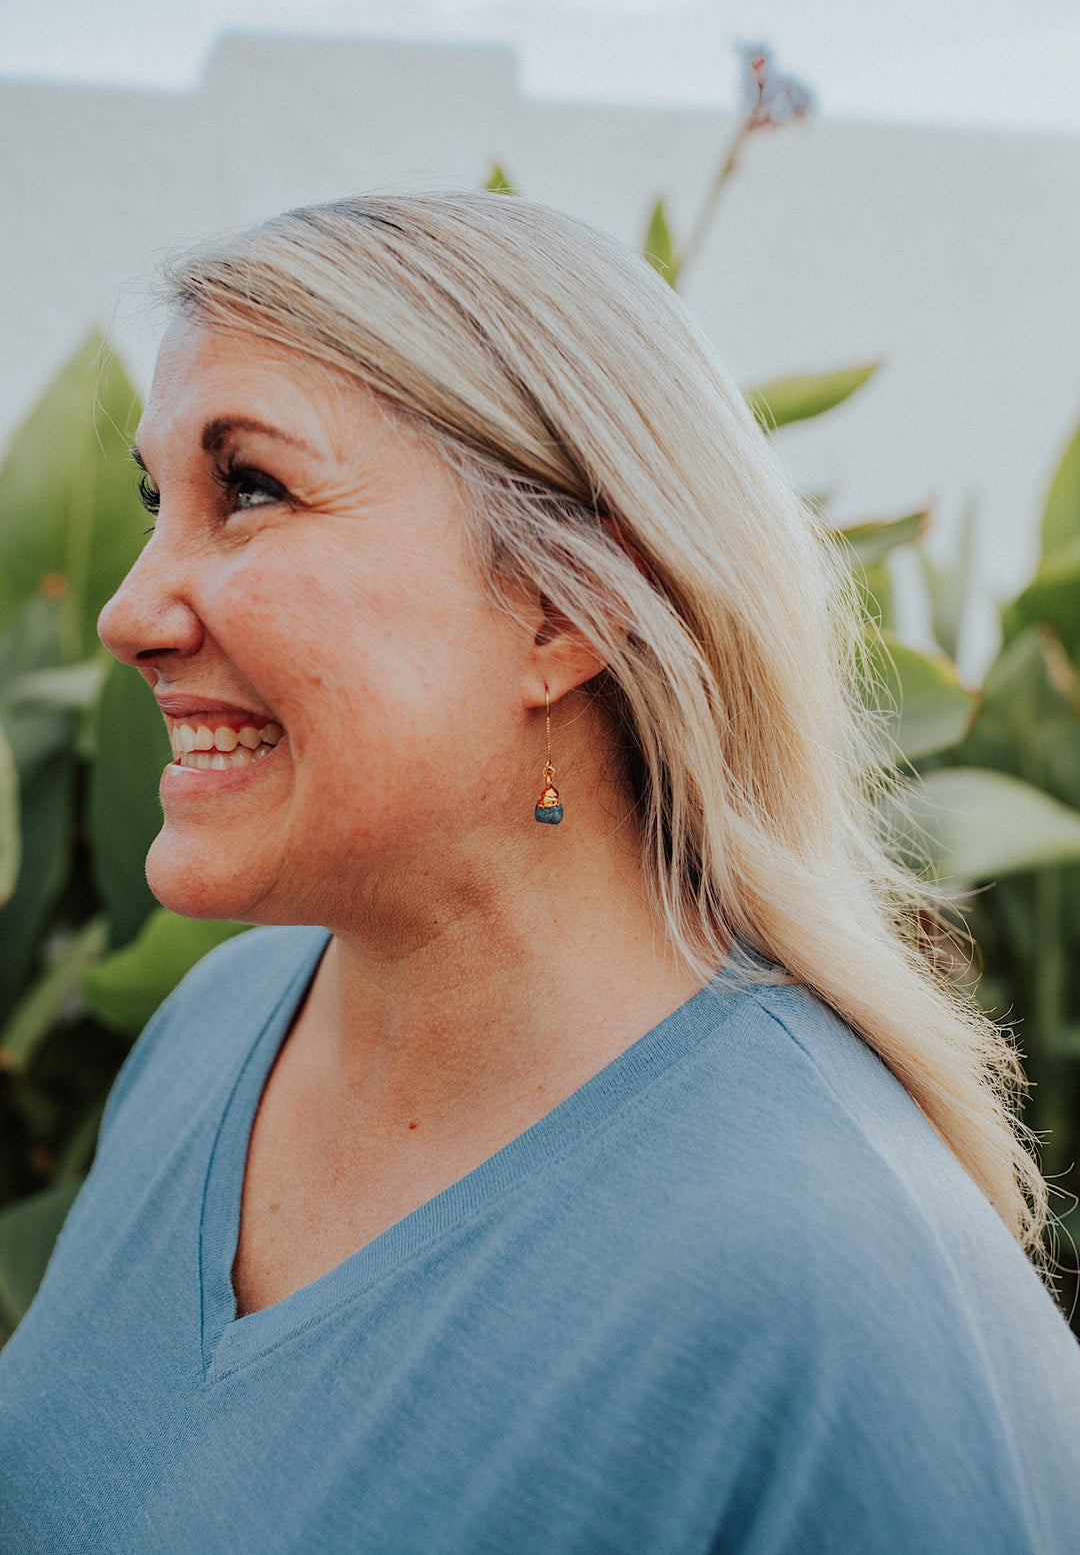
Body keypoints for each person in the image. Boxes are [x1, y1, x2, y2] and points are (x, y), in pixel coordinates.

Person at [1, 190, 1079, 1554]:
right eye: (160, 502)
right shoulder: (209, 1038)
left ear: (568, 608)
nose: (127, 609)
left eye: (250, 489)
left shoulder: (842, 1287)